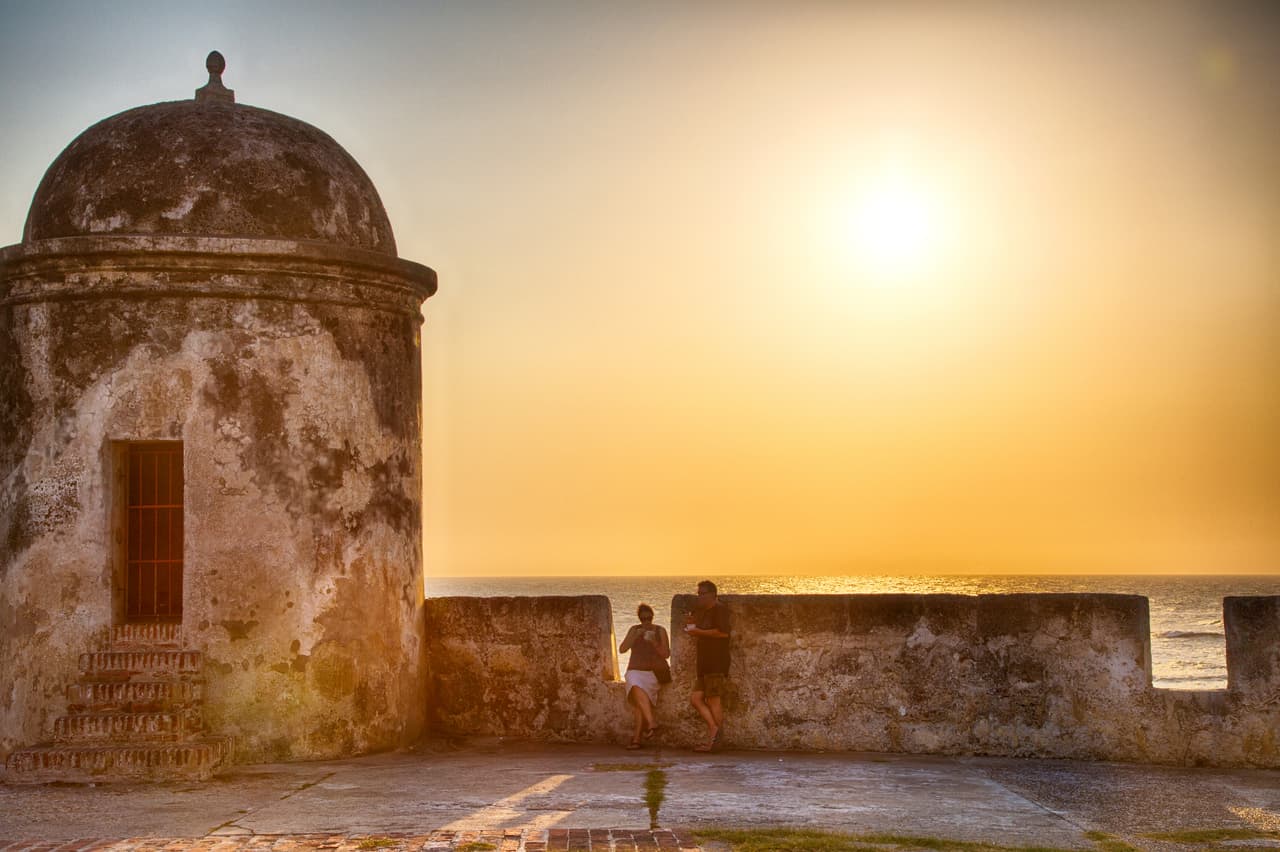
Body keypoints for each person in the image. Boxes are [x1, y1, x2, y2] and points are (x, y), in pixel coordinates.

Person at [684, 579, 730, 752]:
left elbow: (723, 633)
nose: (699, 597)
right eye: (698, 594)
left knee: (713, 700)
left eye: (702, 593)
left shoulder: (720, 610)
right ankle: (714, 729)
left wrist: (699, 632)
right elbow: (701, 632)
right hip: (703, 664)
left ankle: (715, 743)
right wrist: (691, 626)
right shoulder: (703, 612)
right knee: (696, 699)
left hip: (716, 662)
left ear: (712, 594)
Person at [618, 602, 670, 749]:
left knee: (639, 703)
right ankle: (651, 722)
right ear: (639, 619)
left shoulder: (660, 631)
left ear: (653, 617)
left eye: (648, 618)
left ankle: (636, 740)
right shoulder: (634, 630)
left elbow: (666, 654)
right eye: (643, 619)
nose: (646, 621)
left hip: (653, 673)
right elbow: (622, 649)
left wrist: (654, 642)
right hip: (634, 670)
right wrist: (634, 637)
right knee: (635, 683)